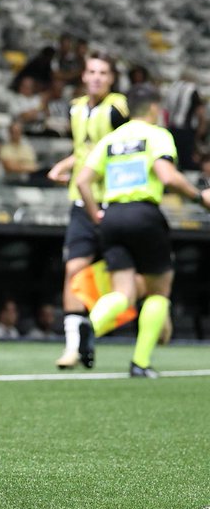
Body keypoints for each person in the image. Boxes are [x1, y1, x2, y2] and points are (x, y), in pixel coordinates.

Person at [76, 83, 210, 376]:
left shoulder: (111, 139)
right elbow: (167, 175)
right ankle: (140, 362)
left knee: (123, 292)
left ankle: (91, 325)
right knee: (158, 290)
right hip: (144, 214)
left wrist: (95, 214)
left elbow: (83, 180)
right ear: (153, 108)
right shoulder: (157, 135)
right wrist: (200, 197)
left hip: (112, 215)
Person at [47, 52, 128, 370]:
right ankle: (72, 346)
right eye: (91, 71)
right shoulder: (77, 108)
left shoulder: (118, 109)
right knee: (73, 270)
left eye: (103, 73)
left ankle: (157, 322)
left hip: (115, 203)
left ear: (111, 78)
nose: (96, 77)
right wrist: (63, 165)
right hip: (82, 204)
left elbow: (123, 147)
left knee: (131, 279)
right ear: (83, 76)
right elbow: (85, 150)